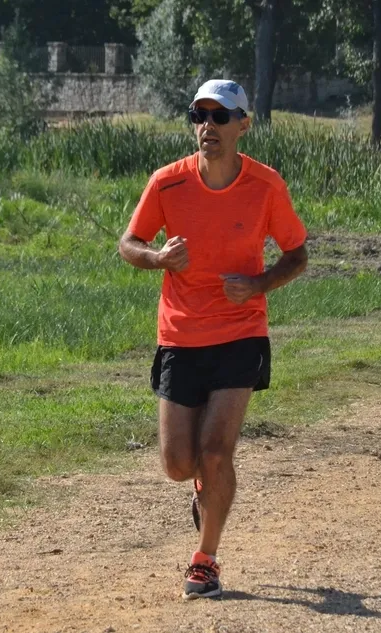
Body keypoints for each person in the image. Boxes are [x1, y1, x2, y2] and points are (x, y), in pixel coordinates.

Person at [117, 79, 309, 600]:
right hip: (180, 334)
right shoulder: (167, 183)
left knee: (217, 451)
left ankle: (205, 560)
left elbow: (296, 254)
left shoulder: (266, 185)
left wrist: (259, 284)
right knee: (179, 464)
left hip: (240, 333)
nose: (208, 126)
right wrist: (157, 258)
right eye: (199, 116)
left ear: (243, 124)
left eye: (220, 116)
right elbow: (129, 242)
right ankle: (202, 485)